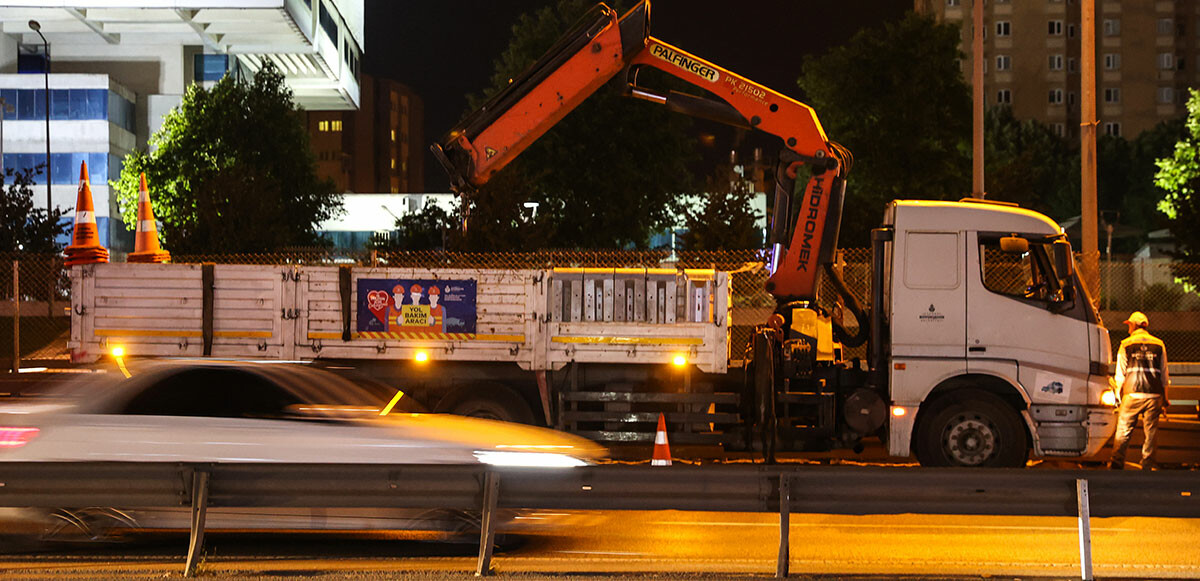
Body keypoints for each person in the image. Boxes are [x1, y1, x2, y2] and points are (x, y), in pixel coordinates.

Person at [1109, 311, 1171, 470]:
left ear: (1134, 325)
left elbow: (1120, 374)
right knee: (1151, 433)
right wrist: (1166, 397)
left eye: (1129, 325)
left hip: (1132, 393)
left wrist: (1117, 395)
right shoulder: (1159, 344)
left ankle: (1117, 462)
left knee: (1123, 430)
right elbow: (1164, 374)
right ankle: (1147, 464)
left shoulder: (1126, 344)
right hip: (1154, 394)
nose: (1128, 328)